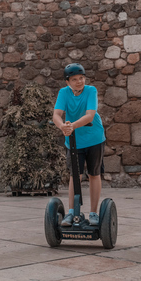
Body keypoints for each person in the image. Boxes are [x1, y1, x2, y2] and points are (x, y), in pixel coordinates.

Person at [53, 63, 107, 226]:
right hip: (73, 141)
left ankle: (93, 213)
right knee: (75, 175)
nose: (79, 82)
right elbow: (56, 114)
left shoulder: (91, 91)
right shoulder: (64, 93)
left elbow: (90, 115)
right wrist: (62, 126)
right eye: (75, 79)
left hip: (94, 138)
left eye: (81, 78)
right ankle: (71, 212)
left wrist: (72, 126)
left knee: (94, 174)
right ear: (67, 82)